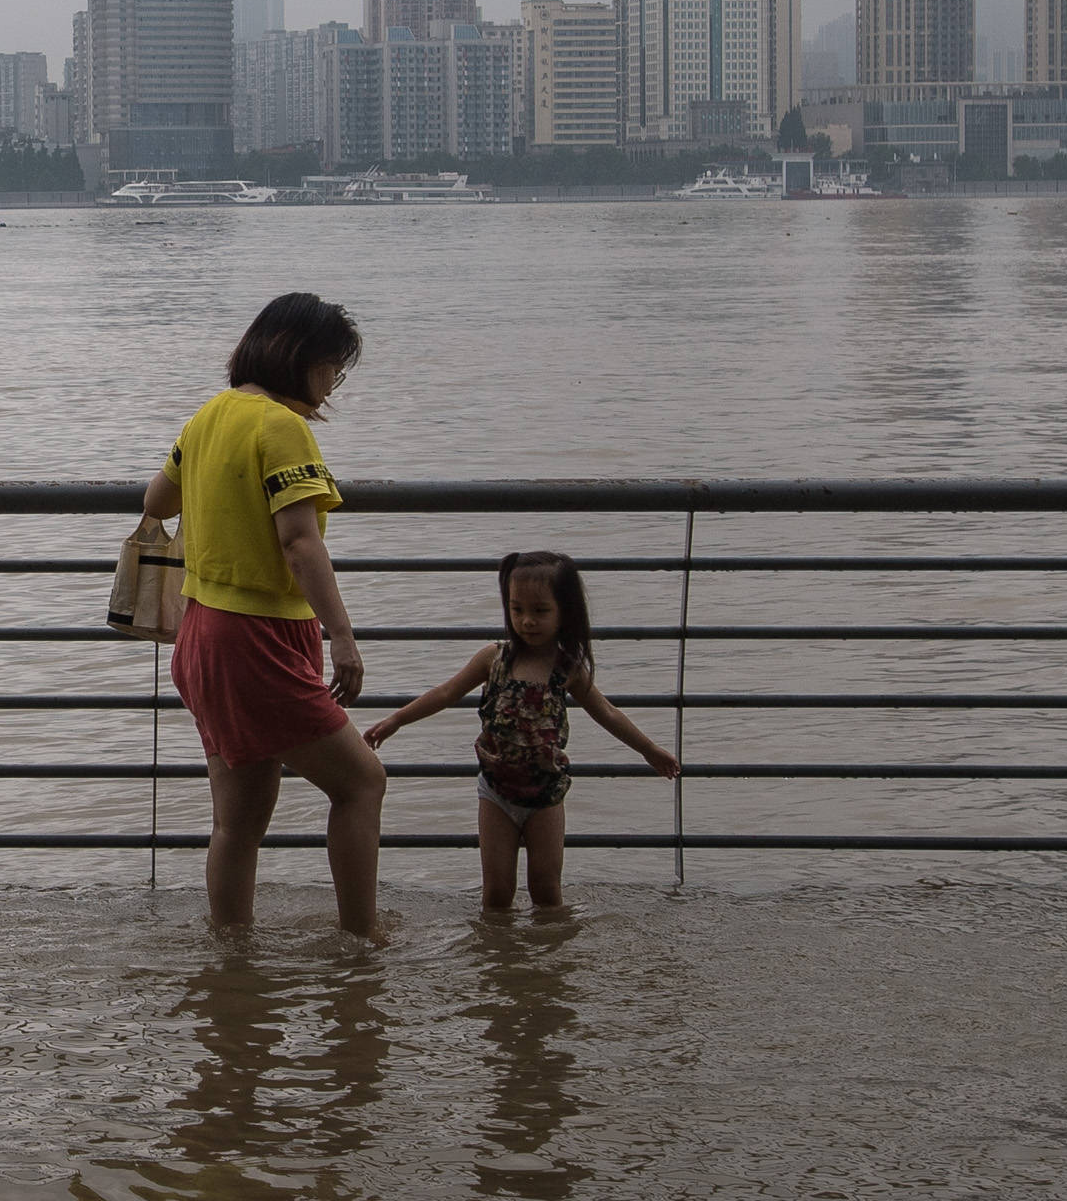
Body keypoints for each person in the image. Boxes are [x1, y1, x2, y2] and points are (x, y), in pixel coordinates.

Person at [141, 291, 386, 938]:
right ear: (301, 358)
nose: (333, 382)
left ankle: (233, 955)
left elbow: (157, 500)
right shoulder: (281, 426)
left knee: (237, 822)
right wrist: (343, 637)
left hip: (202, 636)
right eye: (333, 365)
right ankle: (362, 940)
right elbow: (300, 541)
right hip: (259, 638)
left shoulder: (209, 415)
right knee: (362, 783)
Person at [364, 550, 678, 911]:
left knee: (546, 892)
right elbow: (446, 692)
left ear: (565, 612)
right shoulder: (493, 660)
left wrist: (649, 750)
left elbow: (607, 713)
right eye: (517, 610)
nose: (527, 621)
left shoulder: (568, 668)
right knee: (497, 893)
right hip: (496, 791)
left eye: (540, 611)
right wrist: (396, 720)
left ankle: (544, 963)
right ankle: (500, 962)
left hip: (546, 795)